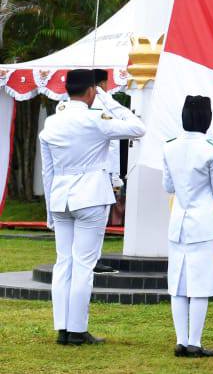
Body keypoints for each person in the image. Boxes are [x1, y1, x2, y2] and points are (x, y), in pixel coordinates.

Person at [39, 69, 146, 346]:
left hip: (61, 197)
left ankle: (63, 328)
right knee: (84, 264)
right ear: (91, 91)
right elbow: (137, 128)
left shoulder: (51, 123)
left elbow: (48, 172)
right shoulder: (96, 119)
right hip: (90, 196)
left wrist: (50, 210)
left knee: (64, 262)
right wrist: (107, 99)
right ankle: (77, 329)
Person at [162, 96, 213, 357]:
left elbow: (168, 186)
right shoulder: (212, 149)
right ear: (207, 119)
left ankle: (181, 340)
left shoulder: (170, 146)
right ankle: (194, 342)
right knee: (201, 284)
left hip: (179, 221)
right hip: (204, 224)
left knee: (178, 284)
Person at [91, 69, 122, 273]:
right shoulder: (106, 106)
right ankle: (94, 259)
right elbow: (113, 146)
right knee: (99, 221)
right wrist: (116, 177)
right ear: (103, 84)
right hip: (103, 172)